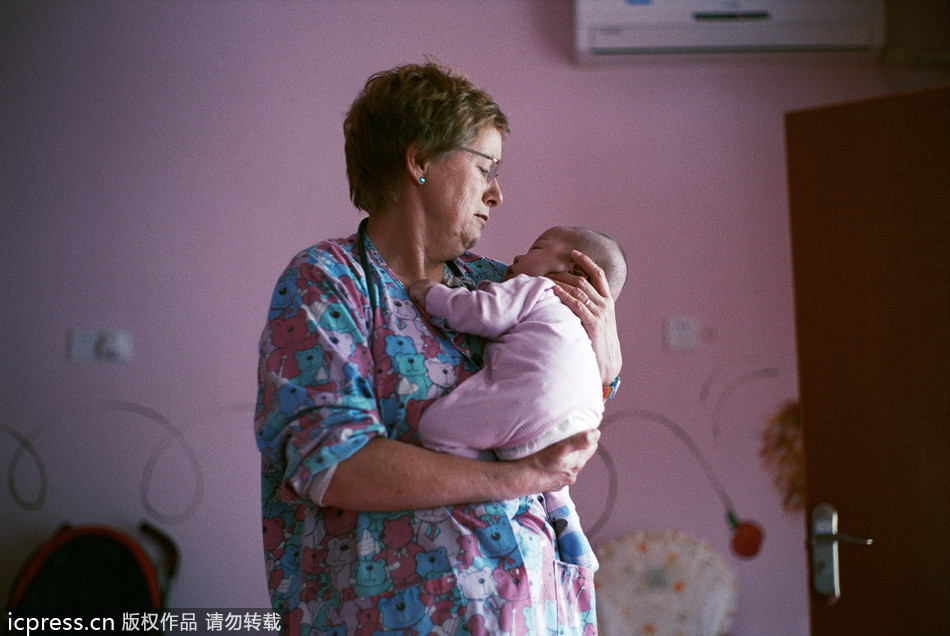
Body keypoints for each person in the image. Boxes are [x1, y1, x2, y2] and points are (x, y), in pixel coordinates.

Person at [255, 62, 622, 635]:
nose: (497, 194)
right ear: (420, 159)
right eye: (485, 167)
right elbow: (332, 463)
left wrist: (605, 342)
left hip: (536, 616)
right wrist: (517, 479)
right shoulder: (329, 281)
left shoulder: (496, 283)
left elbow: (567, 413)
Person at [407, 226, 627, 572]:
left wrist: (431, 295)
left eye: (535, 248)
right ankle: (569, 528)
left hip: (530, 412)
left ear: (576, 272)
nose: (517, 258)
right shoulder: (579, 328)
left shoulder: (533, 286)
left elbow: (482, 313)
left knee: (436, 428)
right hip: (579, 423)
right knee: (556, 482)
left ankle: (478, 470)